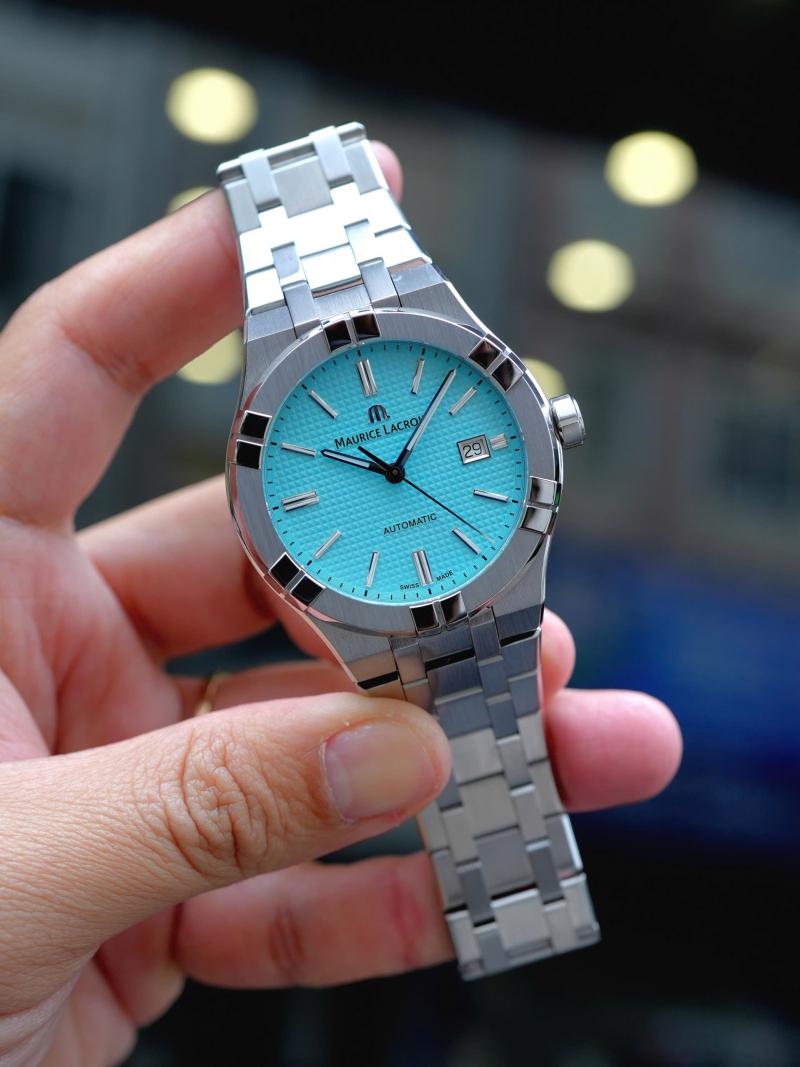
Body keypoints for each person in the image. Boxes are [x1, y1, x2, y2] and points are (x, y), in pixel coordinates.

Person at [0, 143, 682, 1066]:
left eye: (400, 461)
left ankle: (523, 910)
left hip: (418, 567)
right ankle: (519, 912)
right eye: (383, 466)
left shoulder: (383, 403)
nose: (396, 469)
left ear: (545, 431)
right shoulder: (322, 463)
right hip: (410, 581)